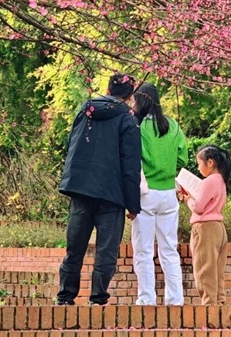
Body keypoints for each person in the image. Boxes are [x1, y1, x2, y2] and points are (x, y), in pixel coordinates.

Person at [56, 72, 141, 306]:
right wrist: (133, 203)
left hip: (81, 190)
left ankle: (65, 297)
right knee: (106, 251)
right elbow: (131, 165)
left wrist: (72, 182)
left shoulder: (86, 112)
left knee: (75, 248)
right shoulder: (128, 120)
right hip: (112, 195)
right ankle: (98, 299)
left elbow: (71, 145)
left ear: (107, 88)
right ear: (130, 95)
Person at [131, 82, 188, 305]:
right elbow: (182, 159)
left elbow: (132, 159)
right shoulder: (173, 125)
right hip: (168, 195)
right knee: (169, 250)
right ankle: (176, 300)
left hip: (146, 193)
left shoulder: (138, 126)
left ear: (140, 100)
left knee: (143, 251)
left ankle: (146, 300)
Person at [178, 145, 230, 305]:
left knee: (204, 270)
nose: (199, 168)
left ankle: (208, 309)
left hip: (205, 228)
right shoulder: (221, 180)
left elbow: (199, 208)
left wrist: (187, 199)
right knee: (217, 271)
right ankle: (219, 306)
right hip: (219, 227)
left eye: (200, 163)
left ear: (210, 163)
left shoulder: (209, 182)